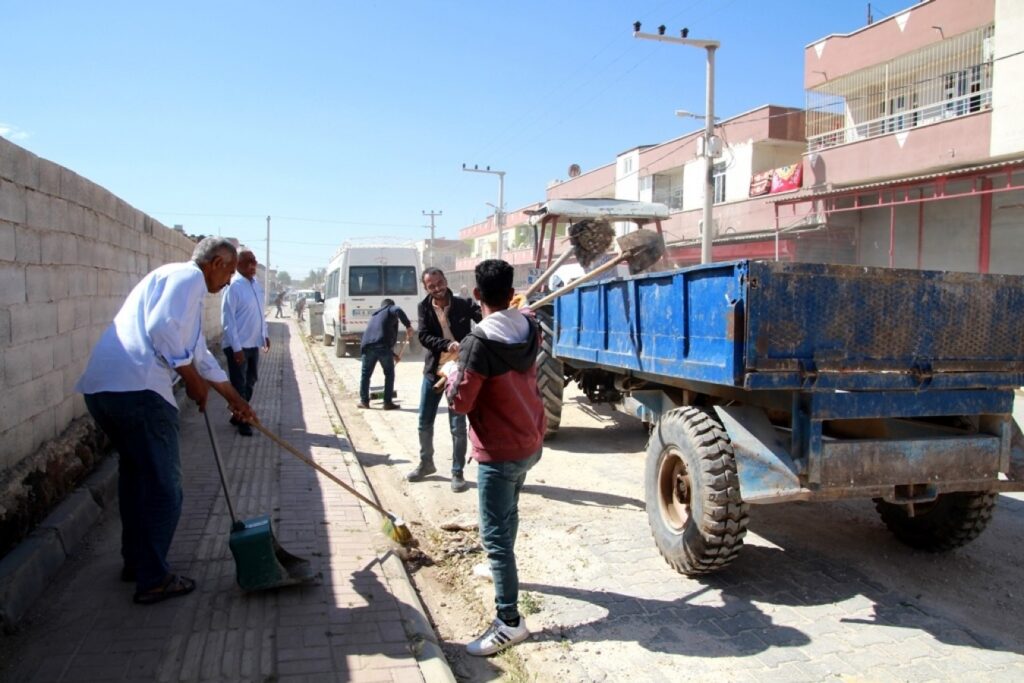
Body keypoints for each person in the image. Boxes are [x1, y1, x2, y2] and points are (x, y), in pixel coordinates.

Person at [75, 237, 258, 605]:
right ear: (217, 262)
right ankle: (154, 578)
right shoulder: (188, 277)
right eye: (228, 272)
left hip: (103, 390)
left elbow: (199, 354)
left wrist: (234, 399)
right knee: (165, 489)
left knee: (136, 478)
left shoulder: (175, 285)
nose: (228, 282)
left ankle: (137, 562)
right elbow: (162, 329)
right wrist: (190, 380)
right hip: (140, 391)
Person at [442, 259, 545, 655]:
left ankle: (510, 620)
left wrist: (453, 377)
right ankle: (500, 571)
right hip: (529, 442)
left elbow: (461, 404)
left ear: (476, 295)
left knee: (496, 536)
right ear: (510, 290)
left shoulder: (478, 344)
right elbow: (526, 314)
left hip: (500, 450)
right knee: (509, 514)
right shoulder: (528, 327)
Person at [408, 267, 481, 492]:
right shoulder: (423, 307)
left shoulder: (463, 304)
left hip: (458, 373)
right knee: (424, 421)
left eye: (440, 283)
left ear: (446, 280)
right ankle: (426, 463)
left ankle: (457, 473)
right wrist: (446, 345)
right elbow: (424, 336)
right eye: (432, 286)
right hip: (434, 373)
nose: (437, 289)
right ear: (426, 288)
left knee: (458, 426)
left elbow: (484, 318)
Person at [221, 249, 269, 436]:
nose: (252, 265)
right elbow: (228, 320)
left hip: (253, 344)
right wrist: (236, 348)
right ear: (238, 265)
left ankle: (236, 413)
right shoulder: (233, 287)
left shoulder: (256, 285)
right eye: (247, 262)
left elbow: (259, 312)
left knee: (252, 380)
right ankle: (243, 421)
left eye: (254, 262)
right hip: (238, 347)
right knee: (239, 385)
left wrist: (264, 334)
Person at [358, 298, 413, 410]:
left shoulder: (375, 315)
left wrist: (394, 355)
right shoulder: (390, 309)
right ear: (389, 305)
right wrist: (408, 326)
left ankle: (364, 402)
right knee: (389, 374)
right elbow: (398, 310)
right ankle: (387, 402)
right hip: (382, 347)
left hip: (368, 347)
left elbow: (377, 338)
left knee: (365, 375)